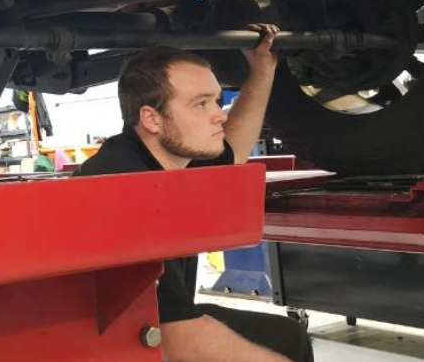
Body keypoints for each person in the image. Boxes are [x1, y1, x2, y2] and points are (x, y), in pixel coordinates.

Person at [74, 26, 313, 362]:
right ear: (152, 118)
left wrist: (262, 72)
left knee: (286, 337)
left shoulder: (164, 158)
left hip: (148, 324)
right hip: (98, 343)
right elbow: (176, 340)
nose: (219, 114)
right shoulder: (123, 189)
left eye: (215, 99)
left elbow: (232, 154)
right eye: (201, 104)